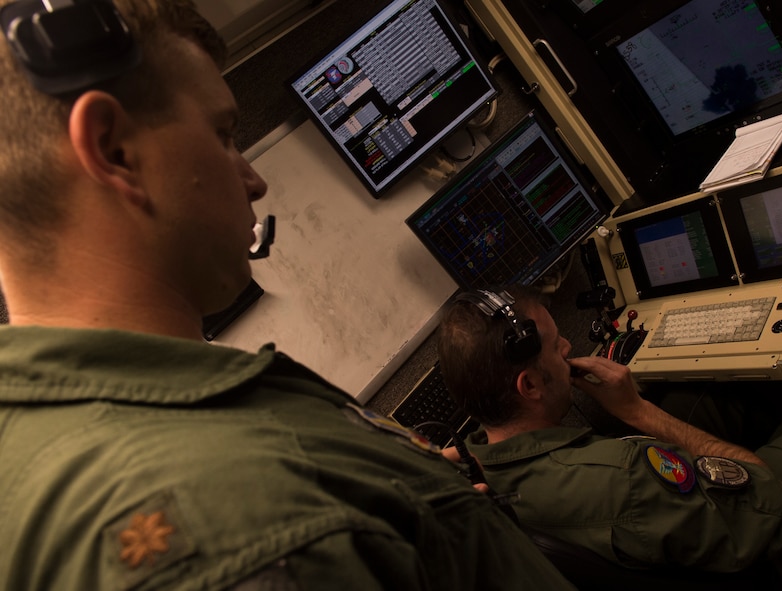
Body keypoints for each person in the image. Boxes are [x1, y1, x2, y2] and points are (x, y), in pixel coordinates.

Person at [0, 2, 575, 589]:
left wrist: (413, 492)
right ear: (114, 149)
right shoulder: (253, 519)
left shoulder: (36, 452)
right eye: (224, 136)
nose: (254, 179)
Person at [436, 285, 782, 591]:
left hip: (656, 537)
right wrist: (637, 410)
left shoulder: (474, 469)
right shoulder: (625, 475)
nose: (569, 349)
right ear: (530, 387)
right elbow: (773, 496)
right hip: (770, 551)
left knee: (709, 399)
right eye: (557, 347)